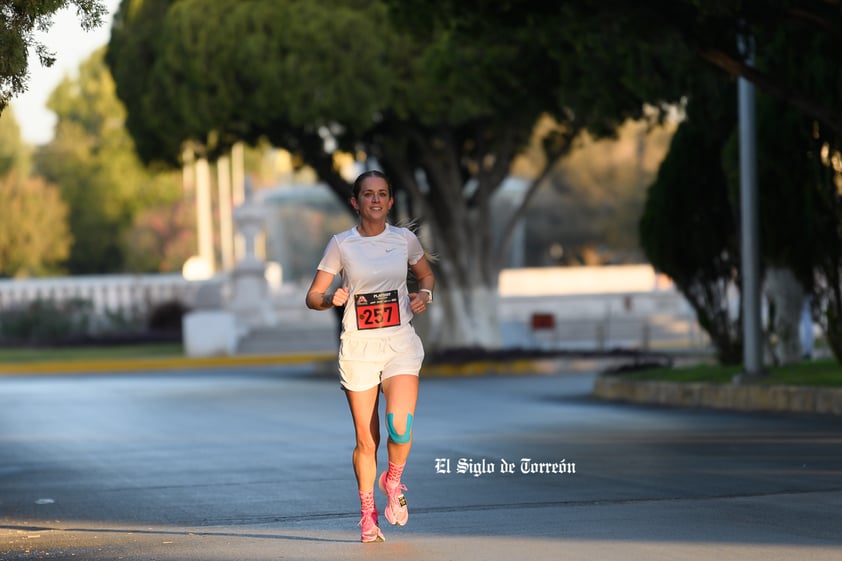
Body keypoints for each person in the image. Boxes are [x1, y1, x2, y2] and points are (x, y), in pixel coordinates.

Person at [305, 169, 435, 543]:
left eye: (381, 194)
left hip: (399, 343)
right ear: (355, 202)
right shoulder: (341, 245)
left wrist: (424, 296)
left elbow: (425, 277)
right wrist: (331, 298)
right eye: (367, 194)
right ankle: (367, 514)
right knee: (367, 441)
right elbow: (312, 296)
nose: (375, 200)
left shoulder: (404, 240)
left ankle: (393, 480)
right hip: (360, 349)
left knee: (401, 426)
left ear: (390, 201)